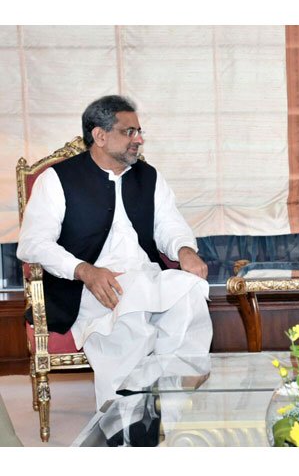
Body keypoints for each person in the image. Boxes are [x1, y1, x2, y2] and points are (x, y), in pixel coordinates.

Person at [17, 95, 213, 410]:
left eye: (139, 131)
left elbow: (169, 227)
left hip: (146, 277)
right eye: (129, 132)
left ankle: (172, 402)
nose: (139, 139)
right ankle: (125, 424)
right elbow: (33, 244)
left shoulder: (149, 177)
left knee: (190, 292)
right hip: (89, 287)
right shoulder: (57, 179)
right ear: (100, 135)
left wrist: (185, 249)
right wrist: (85, 270)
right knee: (129, 326)